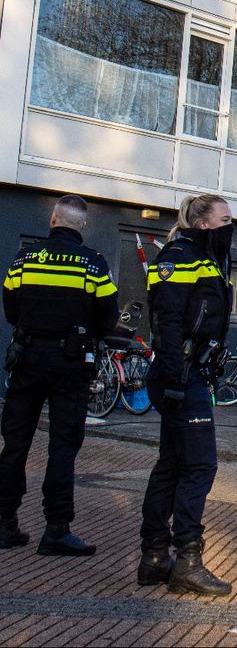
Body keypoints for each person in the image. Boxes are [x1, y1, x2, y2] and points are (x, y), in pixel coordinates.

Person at [0, 195, 119, 555]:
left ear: (53, 220)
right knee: (63, 447)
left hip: (28, 358)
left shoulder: (24, 258)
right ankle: (56, 530)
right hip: (70, 364)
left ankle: (5, 524)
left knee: (15, 444)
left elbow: (10, 308)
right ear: (81, 225)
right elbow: (108, 315)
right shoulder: (93, 265)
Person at [138, 194, 234, 594]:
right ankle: (187, 561)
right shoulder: (180, 255)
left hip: (191, 373)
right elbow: (168, 318)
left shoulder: (207, 258)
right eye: (226, 218)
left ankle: (155, 558)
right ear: (205, 223)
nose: (233, 225)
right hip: (180, 374)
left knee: (172, 465)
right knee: (199, 467)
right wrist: (177, 378)